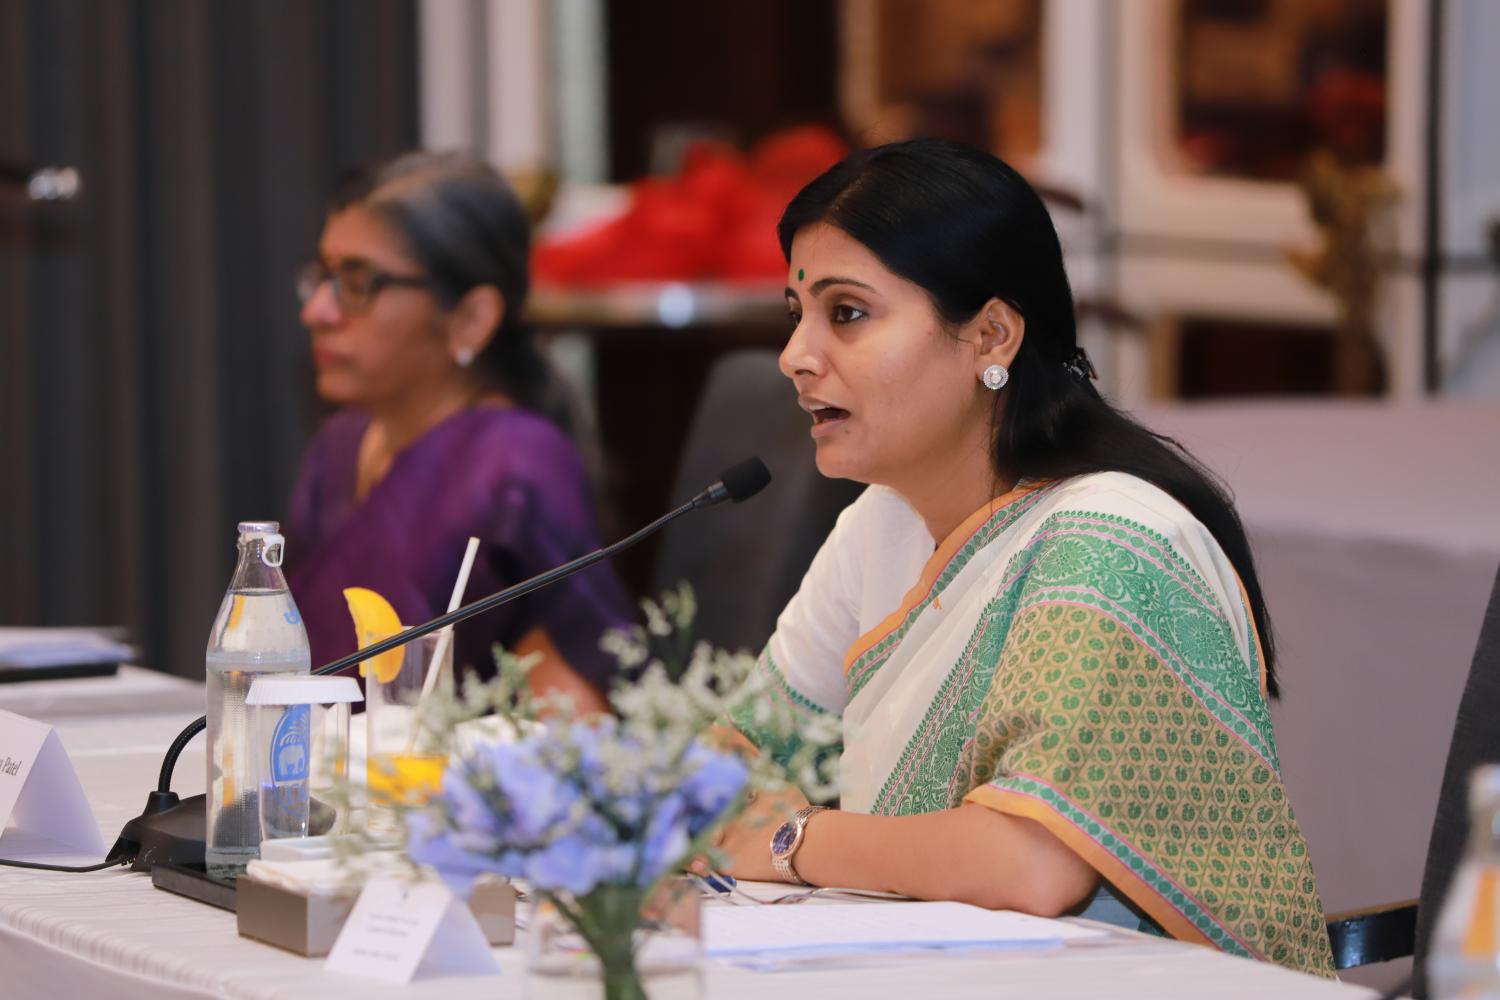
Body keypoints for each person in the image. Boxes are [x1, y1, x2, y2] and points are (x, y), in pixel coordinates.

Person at [717, 138, 1335, 976]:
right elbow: (727, 761)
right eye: (799, 313)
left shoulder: (1111, 541)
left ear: (991, 336)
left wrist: (792, 838)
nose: (796, 355)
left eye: (848, 313)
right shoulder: (882, 523)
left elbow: (1028, 864)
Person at [284, 152, 632, 713]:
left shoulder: (515, 464)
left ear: (471, 318)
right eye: (322, 277)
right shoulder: (339, 447)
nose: (318, 311)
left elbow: (579, 716)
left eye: (357, 283)